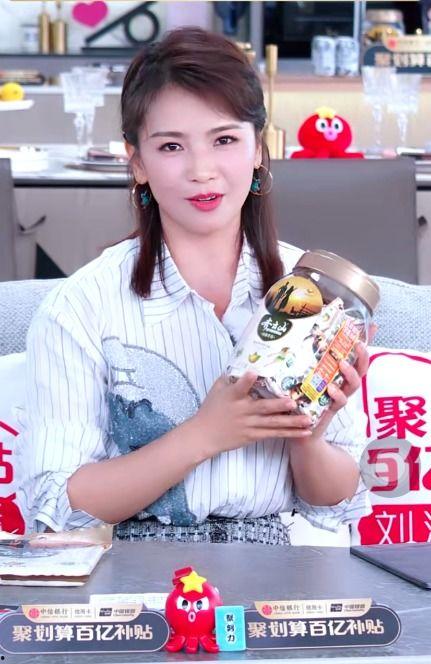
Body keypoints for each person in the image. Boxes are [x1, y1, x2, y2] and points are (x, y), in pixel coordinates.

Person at [16, 27, 370, 545]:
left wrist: (307, 435)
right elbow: (59, 507)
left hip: (279, 568)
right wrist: (204, 434)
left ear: (258, 149)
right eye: (171, 146)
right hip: (130, 568)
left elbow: (336, 503)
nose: (201, 170)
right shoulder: (82, 305)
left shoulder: (312, 291)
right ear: (137, 162)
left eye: (224, 140)